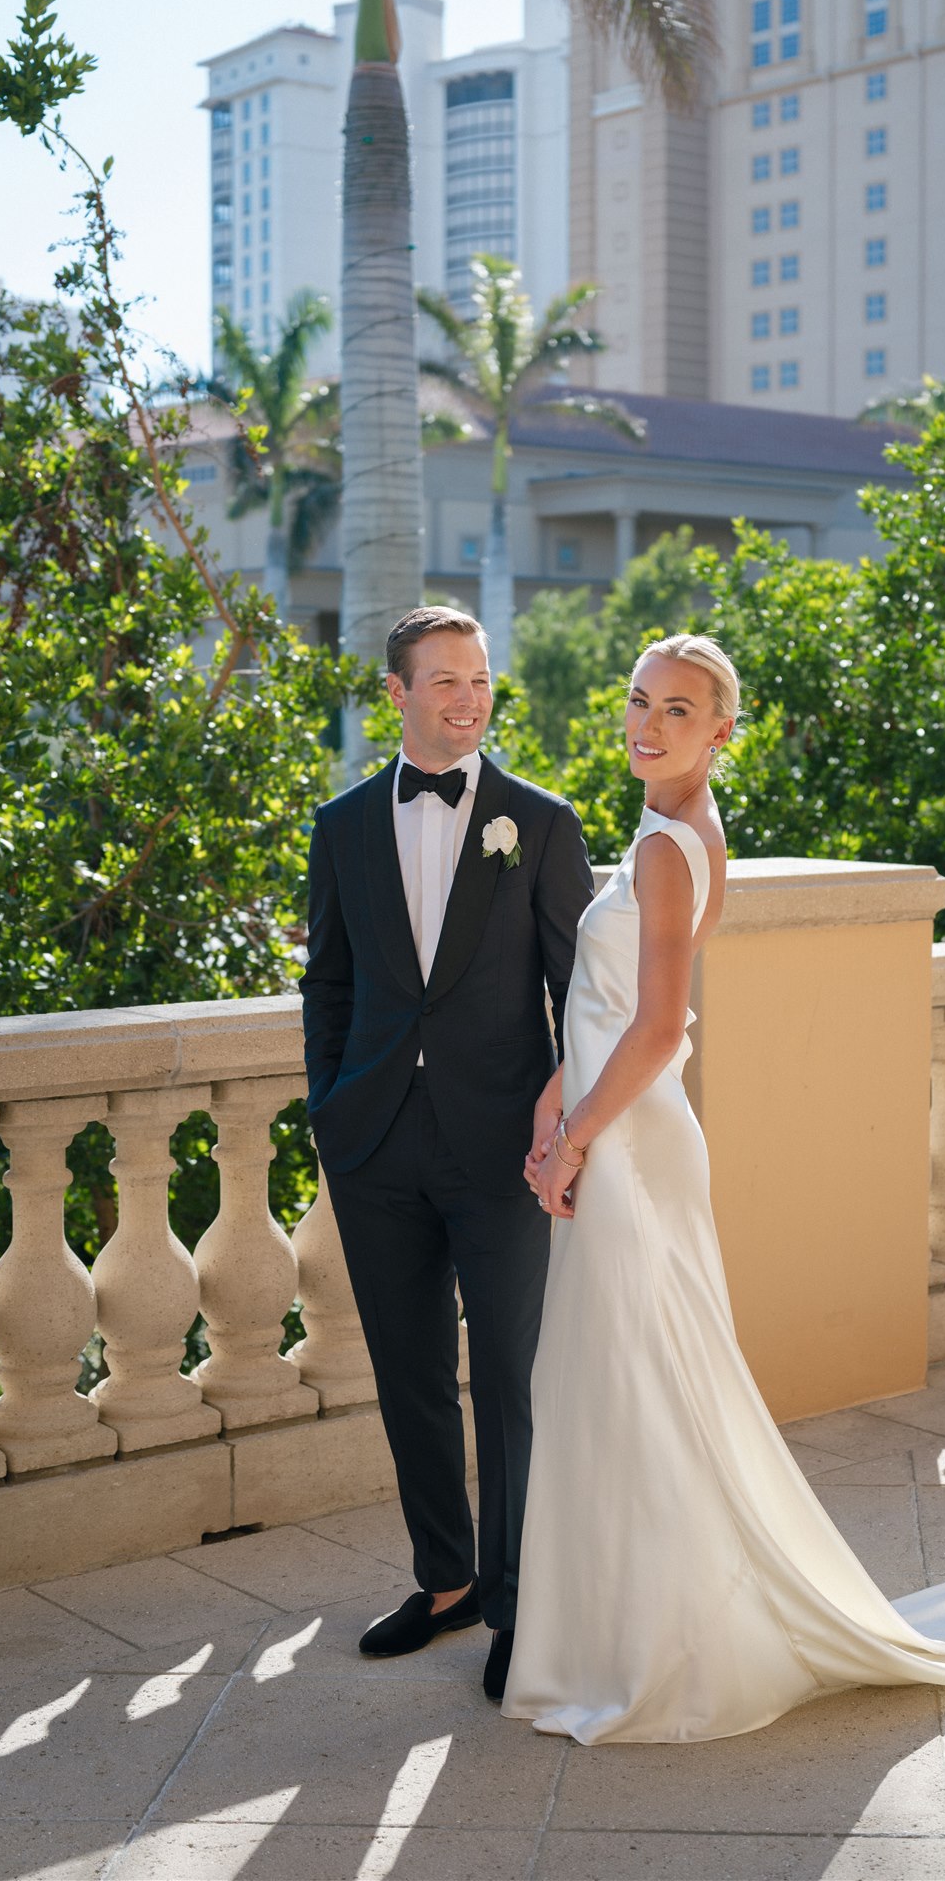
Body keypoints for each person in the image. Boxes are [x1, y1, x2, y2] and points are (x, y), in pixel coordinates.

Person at [504, 632, 945, 1745]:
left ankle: (653, 1649)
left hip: (632, 1143)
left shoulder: (665, 852)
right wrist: (555, 1098)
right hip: (620, 1124)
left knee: (635, 1383)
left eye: (678, 709)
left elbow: (657, 1026)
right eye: (639, 698)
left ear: (721, 730)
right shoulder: (668, 830)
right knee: (621, 1383)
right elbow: (608, 1005)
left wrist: (572, 1137)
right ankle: (616, 1633)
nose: (647, 722)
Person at [301, 605, 592, 1704]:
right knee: (409, 1371)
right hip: (375, 1142)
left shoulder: (540, 822)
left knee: (507, 1380)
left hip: (502, 1148)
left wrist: (560, 1130)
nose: (469, 698)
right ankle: (444, 1579)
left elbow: (580, 994)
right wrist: (332, 1108)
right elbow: (328, 981)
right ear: (398, 693)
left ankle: (516, 1604)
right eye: (446, 681)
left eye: (479, 679)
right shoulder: (340, 826)